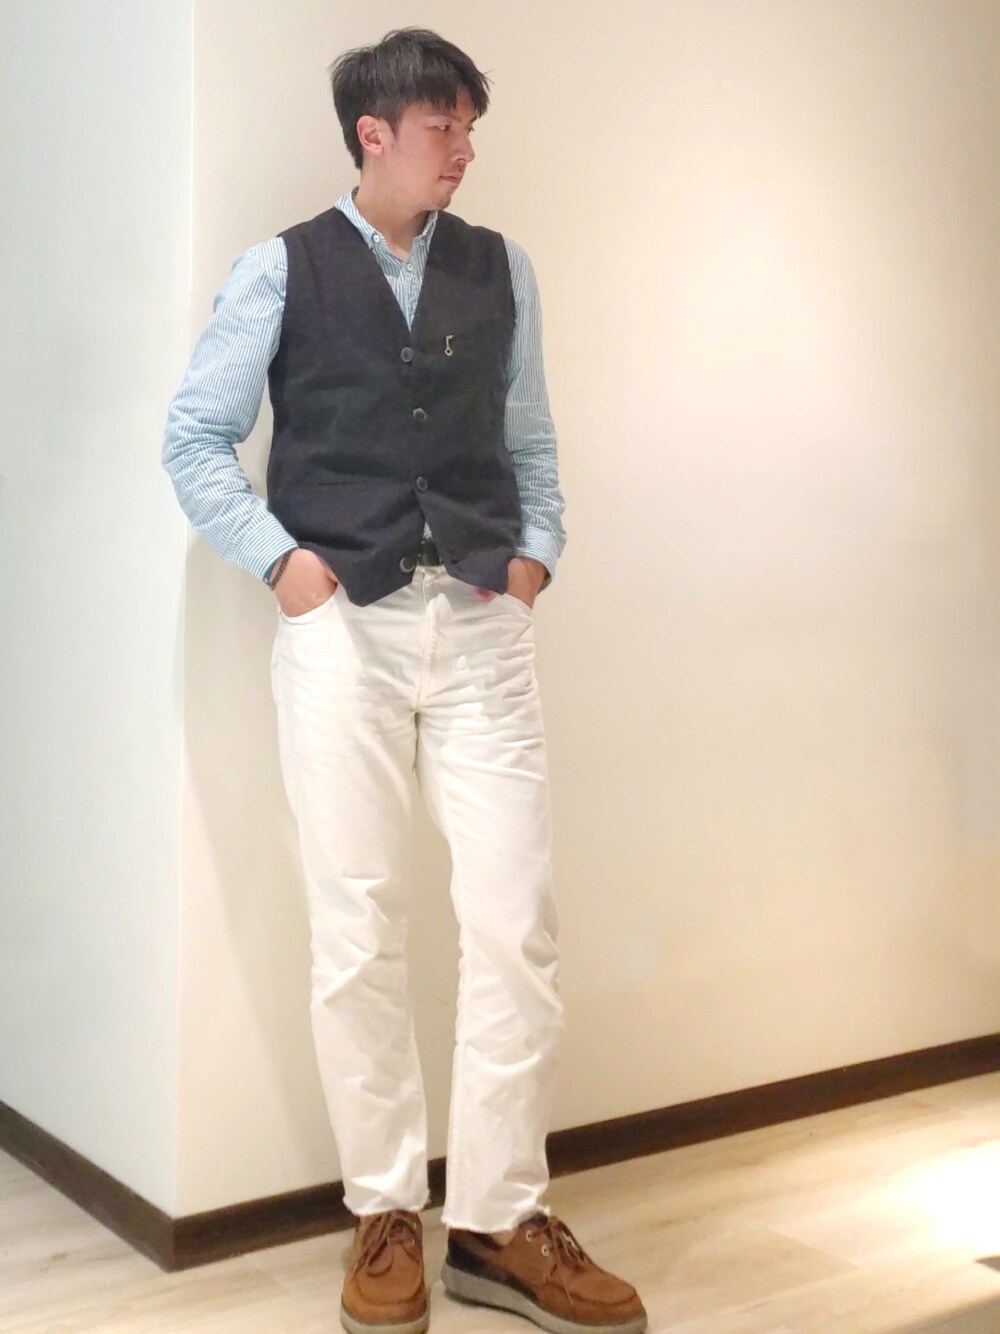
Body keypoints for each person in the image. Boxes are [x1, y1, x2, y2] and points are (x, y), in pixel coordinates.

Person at [163, 27, 647, 1334]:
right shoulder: (280, 269)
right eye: (447, 126)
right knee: (358, 926)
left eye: (470, 126)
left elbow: (530, 437)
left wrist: (535, 557)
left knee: (515, 920)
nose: (466, 148)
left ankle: (497, 1217)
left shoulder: (502, 267)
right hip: (345, 632)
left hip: (482, 623)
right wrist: (282, 565)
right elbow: (195, 436)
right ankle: (384, 1210)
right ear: (374, 133)